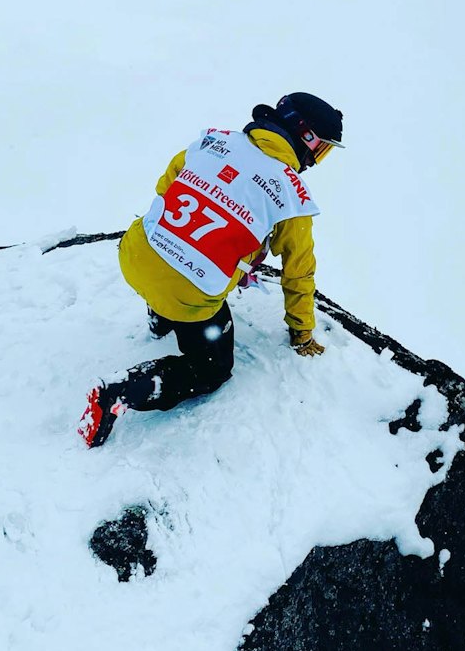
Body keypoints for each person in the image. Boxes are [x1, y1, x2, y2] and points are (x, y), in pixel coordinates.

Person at [77, 92, 343, 448]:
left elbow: (165, 188)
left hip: (134, 254)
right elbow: (299, 272)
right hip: (189, 294)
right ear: (305, 136)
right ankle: (119, 392)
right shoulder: (292, 196)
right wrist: (303, 334)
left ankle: (159, 318)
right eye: (321, 149)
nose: (315, 161)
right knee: (212, 370)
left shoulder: (214, 142)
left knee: (170, 260)